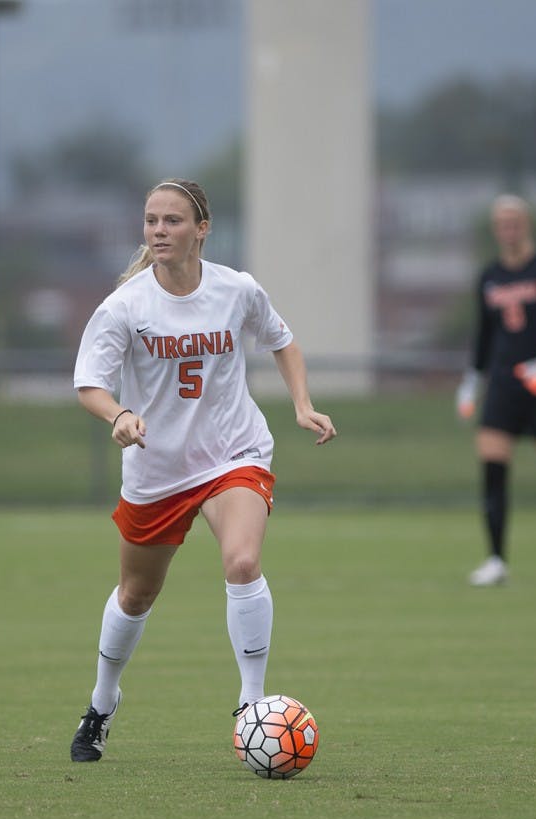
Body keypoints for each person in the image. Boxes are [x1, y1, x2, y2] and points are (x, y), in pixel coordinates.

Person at [69, 178, 337, 761]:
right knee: (136, 595)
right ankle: (102, 703)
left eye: (172, 221)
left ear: (202, 229)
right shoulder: (126, 305)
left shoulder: (235, 289)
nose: (159, 231)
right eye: (151, 221)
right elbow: (90, 384)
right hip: (157, 467)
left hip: (232, 452)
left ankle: (251, 708)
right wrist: (119, 415)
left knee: (242, 561)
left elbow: (282, 341)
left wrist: (302, 405)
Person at [456, 194, 536, 586]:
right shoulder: (490, 276)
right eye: (502, 223)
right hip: (505, 382)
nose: (509, 229)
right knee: (492, 464)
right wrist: (473, 379)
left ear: (526, 224)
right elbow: (485, 334)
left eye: (515, 221)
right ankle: (496, 559)